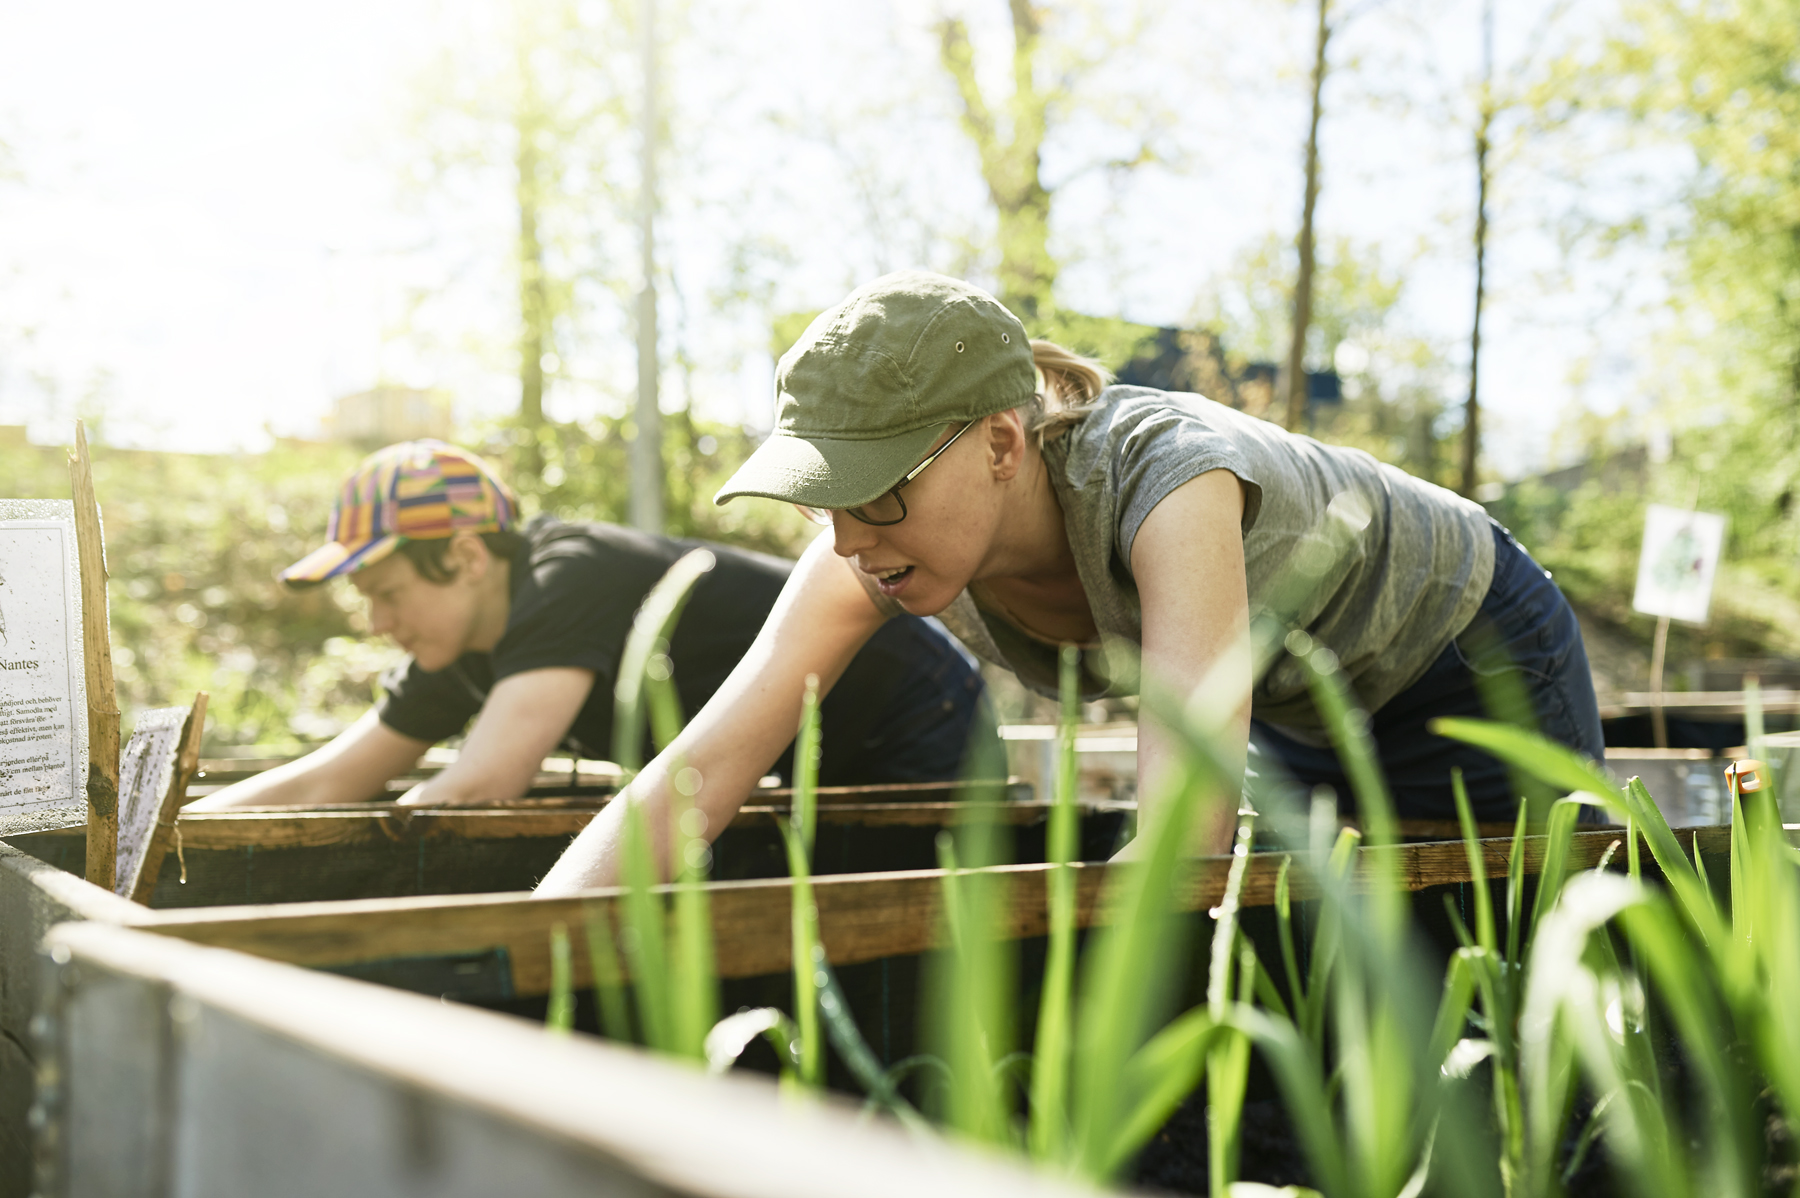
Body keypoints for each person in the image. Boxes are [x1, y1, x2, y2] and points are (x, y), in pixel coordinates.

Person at [533, 271, 1603, 896]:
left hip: (1466, 650)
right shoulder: (866, 550)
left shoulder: (1169, 487)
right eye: (822, 498)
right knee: (1305, 967)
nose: (850, 538)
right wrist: (531, 947)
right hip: (1298, 694)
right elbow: (695, 778)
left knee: (1499, 965)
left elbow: (1182, 835)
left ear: (1002, 444)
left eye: (877, 492)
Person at [188, 440, 992, 813]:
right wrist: (180, 834)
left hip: (912, 708)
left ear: (466, 557)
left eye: (387, 590)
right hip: (802, 752)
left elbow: (479, 785)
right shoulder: (461, 639)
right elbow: (330, 778)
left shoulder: (566, 577)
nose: (378, 621)